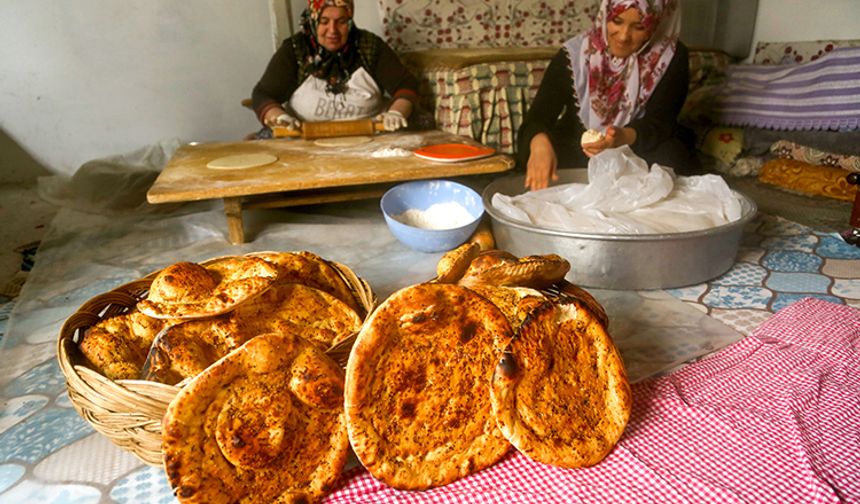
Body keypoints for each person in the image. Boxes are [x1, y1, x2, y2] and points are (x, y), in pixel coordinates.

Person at [517, 0, 699, 191]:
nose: (623, 36)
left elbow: (661, 123)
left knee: (673, 157)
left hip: (636, 145)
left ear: (656, 23)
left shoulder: (670, 56)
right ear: (605, 14)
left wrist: (621, 138)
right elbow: (537, 117)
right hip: (579, 149)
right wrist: (539, 146)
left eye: (639, 27)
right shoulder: (575, 54)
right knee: (535, 148)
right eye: (617, 21)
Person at [251, 0, 419, 136]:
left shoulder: (370, 47)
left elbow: (406, 85)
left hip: (371, 140)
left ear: (351, 20)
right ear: (313, 19)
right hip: (304, 142)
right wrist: (278, 116)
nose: (333, 31)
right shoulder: (295, 50)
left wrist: (397, 112)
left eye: (341, 22)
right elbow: (263, 95)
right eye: (324, 22)